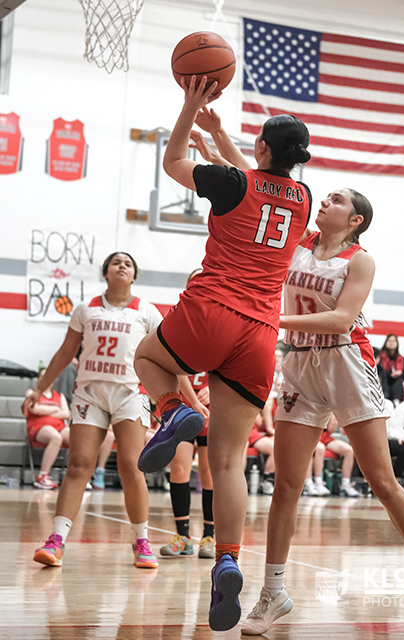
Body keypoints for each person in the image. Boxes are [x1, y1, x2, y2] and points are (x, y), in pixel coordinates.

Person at [134, 76, 312, 631]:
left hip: (213, 309)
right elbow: (261, 183)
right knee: (229, 459)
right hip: (261, 335)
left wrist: (191, 109)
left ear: (261, 147)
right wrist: (221, 141)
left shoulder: (233, 182)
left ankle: (171, 410)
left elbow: (173, 161)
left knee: (147, 358)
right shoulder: (304, 199)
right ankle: (227, 559)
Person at [240, 187, 404, 635]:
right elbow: (261, 189)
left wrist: (273, 320)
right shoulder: (298, 240)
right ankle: (273, 592)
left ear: (355, 220)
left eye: (336, 200)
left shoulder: (360, 260)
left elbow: (340, 319)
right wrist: (223, 154)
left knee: (383, 482)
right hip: (299, 362)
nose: (325, 202)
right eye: (326, 197)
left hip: (347, 360)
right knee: (286, 485)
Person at [22, 252, 177, 570]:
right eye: (116, 262)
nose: (122, 266)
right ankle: (56, 541)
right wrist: (39, 388)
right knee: (79, 465)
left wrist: (174, 397)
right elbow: (65, 352)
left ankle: (141, 542)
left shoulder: (147, 311)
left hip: (130, 392)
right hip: (89, 392)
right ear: (106, 272)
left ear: (134, 275)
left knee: (131, 467)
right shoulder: (85, 309)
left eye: (128, 264)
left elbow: (163, 357)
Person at [158, 370, 215, 559]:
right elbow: (178, 371)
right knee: (179, 468)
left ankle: (209, 537)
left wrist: (214, 387)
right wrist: (194, 400)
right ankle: (183, 536)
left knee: (209, 474)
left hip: (212, 405)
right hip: (183, 404)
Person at [25, 368, 70, 490]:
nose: (46, 379)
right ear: (38, 379)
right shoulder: (31, 392)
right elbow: (35, 409)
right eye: (43, 376)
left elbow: (66, 414)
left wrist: (45, 411)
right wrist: (55, 409)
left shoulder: (59, 395)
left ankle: (74, 475)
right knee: (56, 437)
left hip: (59, 426)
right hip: (39, 426)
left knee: (77, 438)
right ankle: (42, 476)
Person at [308, 414, 361, 497]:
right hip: (311, 435)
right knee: (320, 448)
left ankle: (346, 484)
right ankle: (315, 483)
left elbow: (330, 430)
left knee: (349, 450)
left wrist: (333, 417)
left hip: (325, 436)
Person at [379, 334, 404, 404]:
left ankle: (396, 401)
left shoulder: (401, 359)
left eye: (393, 341)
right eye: (389, 341)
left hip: (395, 385)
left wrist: (400, 373)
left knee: (399, 380)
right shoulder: (380, 357)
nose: (391, 343)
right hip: (383, 383)